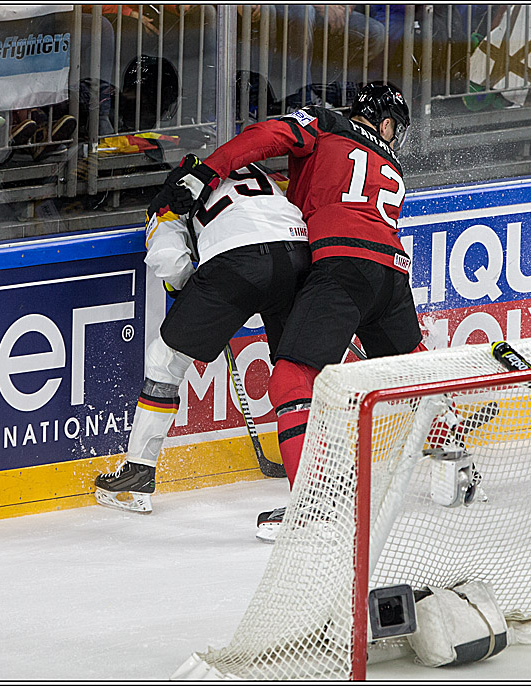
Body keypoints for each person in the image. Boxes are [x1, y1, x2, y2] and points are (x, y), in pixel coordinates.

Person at [158, 83, 422, 540]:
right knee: (416, 373)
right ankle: (457, 459)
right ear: (384, 123)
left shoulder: (328, 123)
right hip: (392, 275)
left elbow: (266, 137)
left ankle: (310, 508)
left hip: (341, 266)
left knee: (290, 378)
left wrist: (208, 170)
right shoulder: (390, 163)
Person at [94, 157, 312, 513]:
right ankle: (322, 475)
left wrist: (188, 296)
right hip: (299, 256)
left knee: (165, 360)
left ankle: (138, 470)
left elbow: (169, 259)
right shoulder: (269, 175)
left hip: (235, 263)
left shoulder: (174, 192)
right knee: (298, 370)